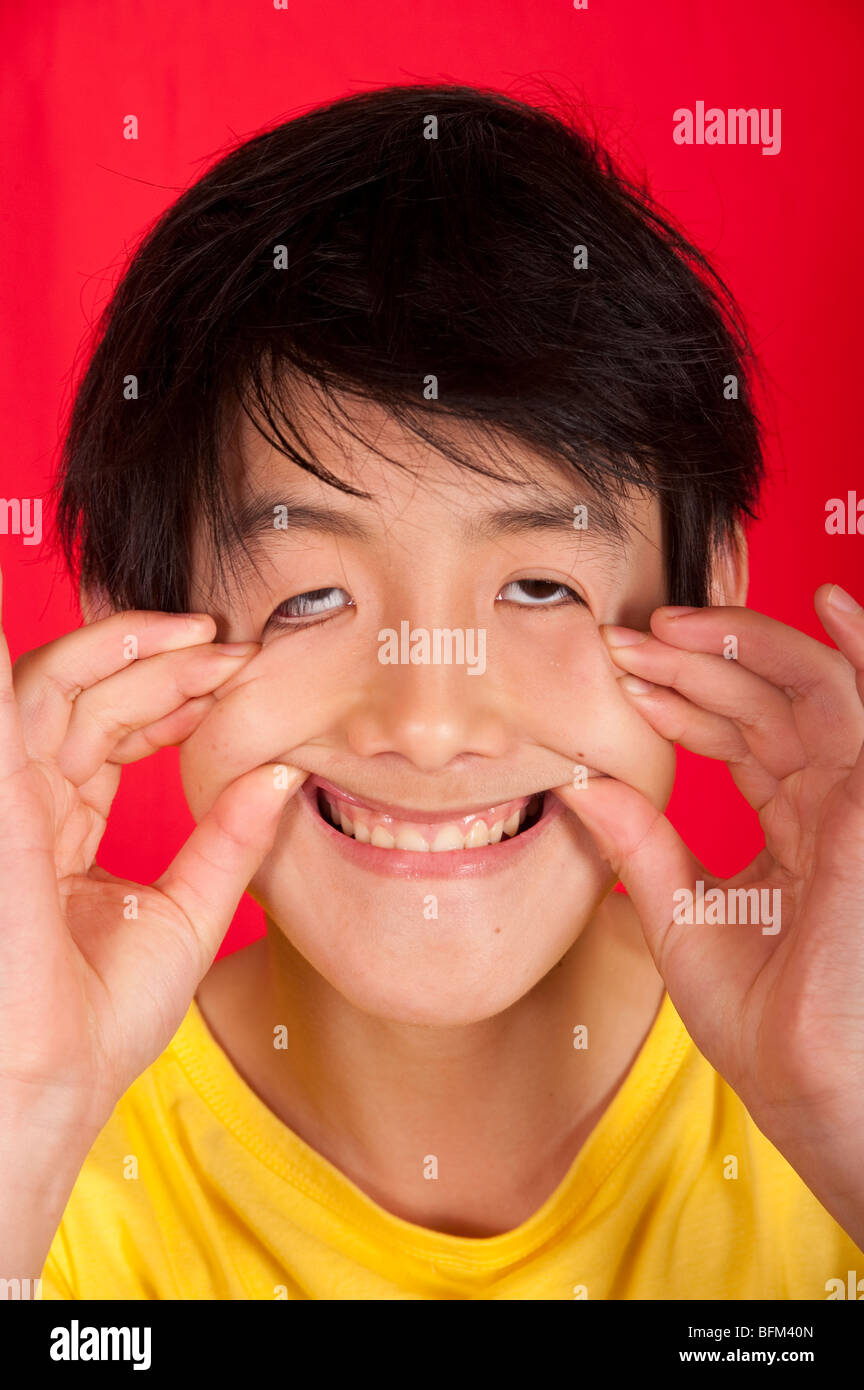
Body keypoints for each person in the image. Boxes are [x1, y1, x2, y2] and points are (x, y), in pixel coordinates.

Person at [3, 83, 863, 1301]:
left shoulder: (841, 1086)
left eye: (539, 587)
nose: (429, 723)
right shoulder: (44, 1160)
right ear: (131, 624)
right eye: (310, 598)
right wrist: (24, 1122)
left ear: (707, 594)